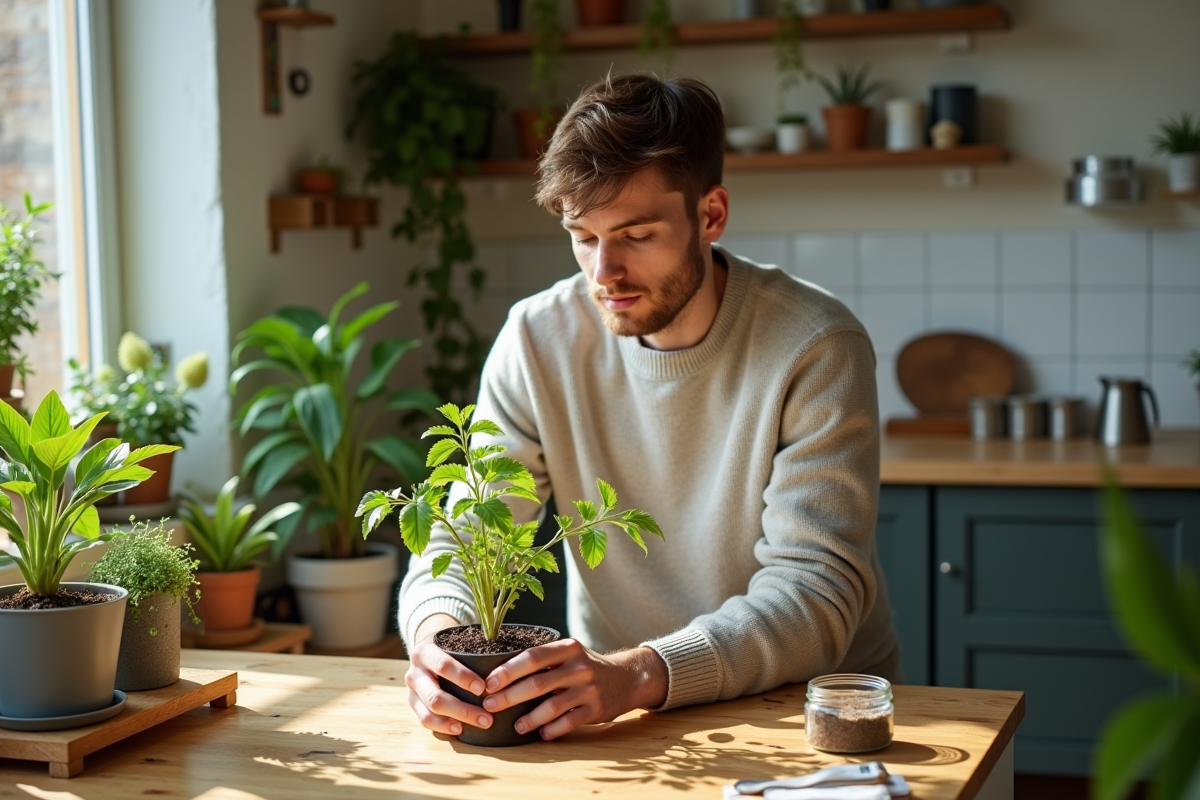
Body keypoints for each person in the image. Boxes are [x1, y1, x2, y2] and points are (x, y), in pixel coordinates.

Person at [398, 73, 901, 743]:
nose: (604, 271)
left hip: (806, 715)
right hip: (615, 716)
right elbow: (465, 538)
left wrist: (635, 675)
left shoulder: (814, 345)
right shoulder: (537, 339)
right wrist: (439, 648)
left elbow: (816, 591)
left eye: (635, 235)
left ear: (711, 215)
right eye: (583, 236)